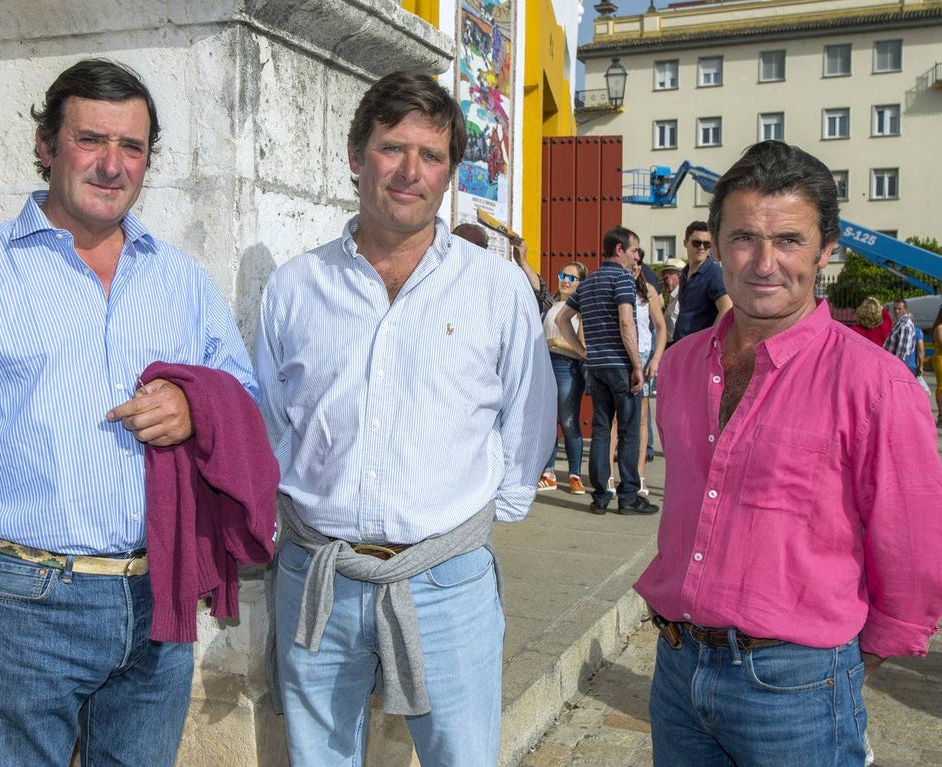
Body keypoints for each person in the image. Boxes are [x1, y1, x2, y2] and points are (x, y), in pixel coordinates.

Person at [0, 59, 261, 766]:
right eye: (91, 140)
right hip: (23, 604)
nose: (112, 165)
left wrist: (196, 406)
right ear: (47, 146)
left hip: (159, 603)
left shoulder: (182, 283)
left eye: (132, 147)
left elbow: (247, 403)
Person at [255, 71, 555, 766]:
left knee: (462, 756)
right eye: (393, 148)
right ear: (357, 155)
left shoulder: (496, 288)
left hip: (447, 581)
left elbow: (529, 414)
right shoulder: (296, 287)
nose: (410, 171)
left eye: (432, 156)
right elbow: (272, 422)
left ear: (450, 173)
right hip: (319, 578)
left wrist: (484, 517)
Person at [636, 140, 942, 766]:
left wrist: (850, 655)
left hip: (796, 686)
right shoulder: (679, 367)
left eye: (788, 240)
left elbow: (918, 542)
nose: (764, 262)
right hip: (676, 670)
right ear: (715, 243)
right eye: (743, 238)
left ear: (826, 251)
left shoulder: (874, 383)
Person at [556, 227, 659, 515]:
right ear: (619, 249)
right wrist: (636, 365)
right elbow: (627, 324)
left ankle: (600, 496)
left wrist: (581, 351)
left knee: (601, 431)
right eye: (634, 250)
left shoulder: (587, 284)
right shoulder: (623, 278)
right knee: (628, 432)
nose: (636, 255)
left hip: (597, 367)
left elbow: (564, 317)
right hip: (620, 366)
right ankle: (628, 498)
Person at [540, 261, 589, 494]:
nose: (565, 281)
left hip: (567, 367)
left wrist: (557, 342)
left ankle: (574, 475)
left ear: (581, 283)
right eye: (563, 275)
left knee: (569, 421)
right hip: (545, 365)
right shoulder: (550, 306)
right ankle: (548, 473)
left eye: (572, 278)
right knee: (548, 422)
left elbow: (583, 350)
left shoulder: (580, 309)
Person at [629, 248, 667, 499]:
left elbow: (661, 327)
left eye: (639, 263)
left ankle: (639, 474)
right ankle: (612, 476)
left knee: (642, 420)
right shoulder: (614, 286)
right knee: (614, 421)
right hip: (620, 357)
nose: (634, 267)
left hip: (643, 356)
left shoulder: (648, 292)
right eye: (632, 262)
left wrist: (656, 358)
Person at [671, 220, 732, 342]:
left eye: (707, 244)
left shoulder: (713, 273)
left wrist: (709, 341)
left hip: (698, 348)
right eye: (696, 243)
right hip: (681, 344)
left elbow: (727, 308)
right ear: (685, 242)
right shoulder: (684, 272)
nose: (701, 247)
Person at [657, 257, 686, 340]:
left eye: (666, 277)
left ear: (679, 277)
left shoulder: (682, 298)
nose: (663, 281)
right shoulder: (672, 298)